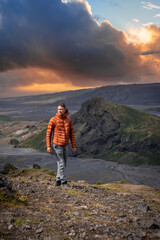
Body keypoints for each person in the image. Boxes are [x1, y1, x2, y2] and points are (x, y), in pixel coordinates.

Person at [46, 103, 76, 187]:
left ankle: (58, 180)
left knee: (62, 163)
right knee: (61, 163)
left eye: (61, 109)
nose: (59, 111)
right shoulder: (53, 120)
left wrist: (74, 146)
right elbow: (48, 134)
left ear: (65, 110)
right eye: (58, 109)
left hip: (65, 145)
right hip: (57, 145)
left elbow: (72, 134)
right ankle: (64, 182)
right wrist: (48, 146)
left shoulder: (69, 120)